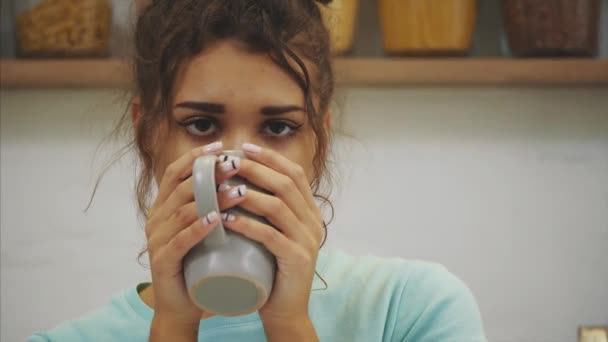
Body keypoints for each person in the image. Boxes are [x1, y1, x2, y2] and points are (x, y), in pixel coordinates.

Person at [28, 0, 486, 341]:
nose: (237, 164)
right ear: (147, 131)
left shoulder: (412, 311)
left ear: (318, 140)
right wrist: (173, 326)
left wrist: (288, 325)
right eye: (202, 124)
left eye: (278, 127)